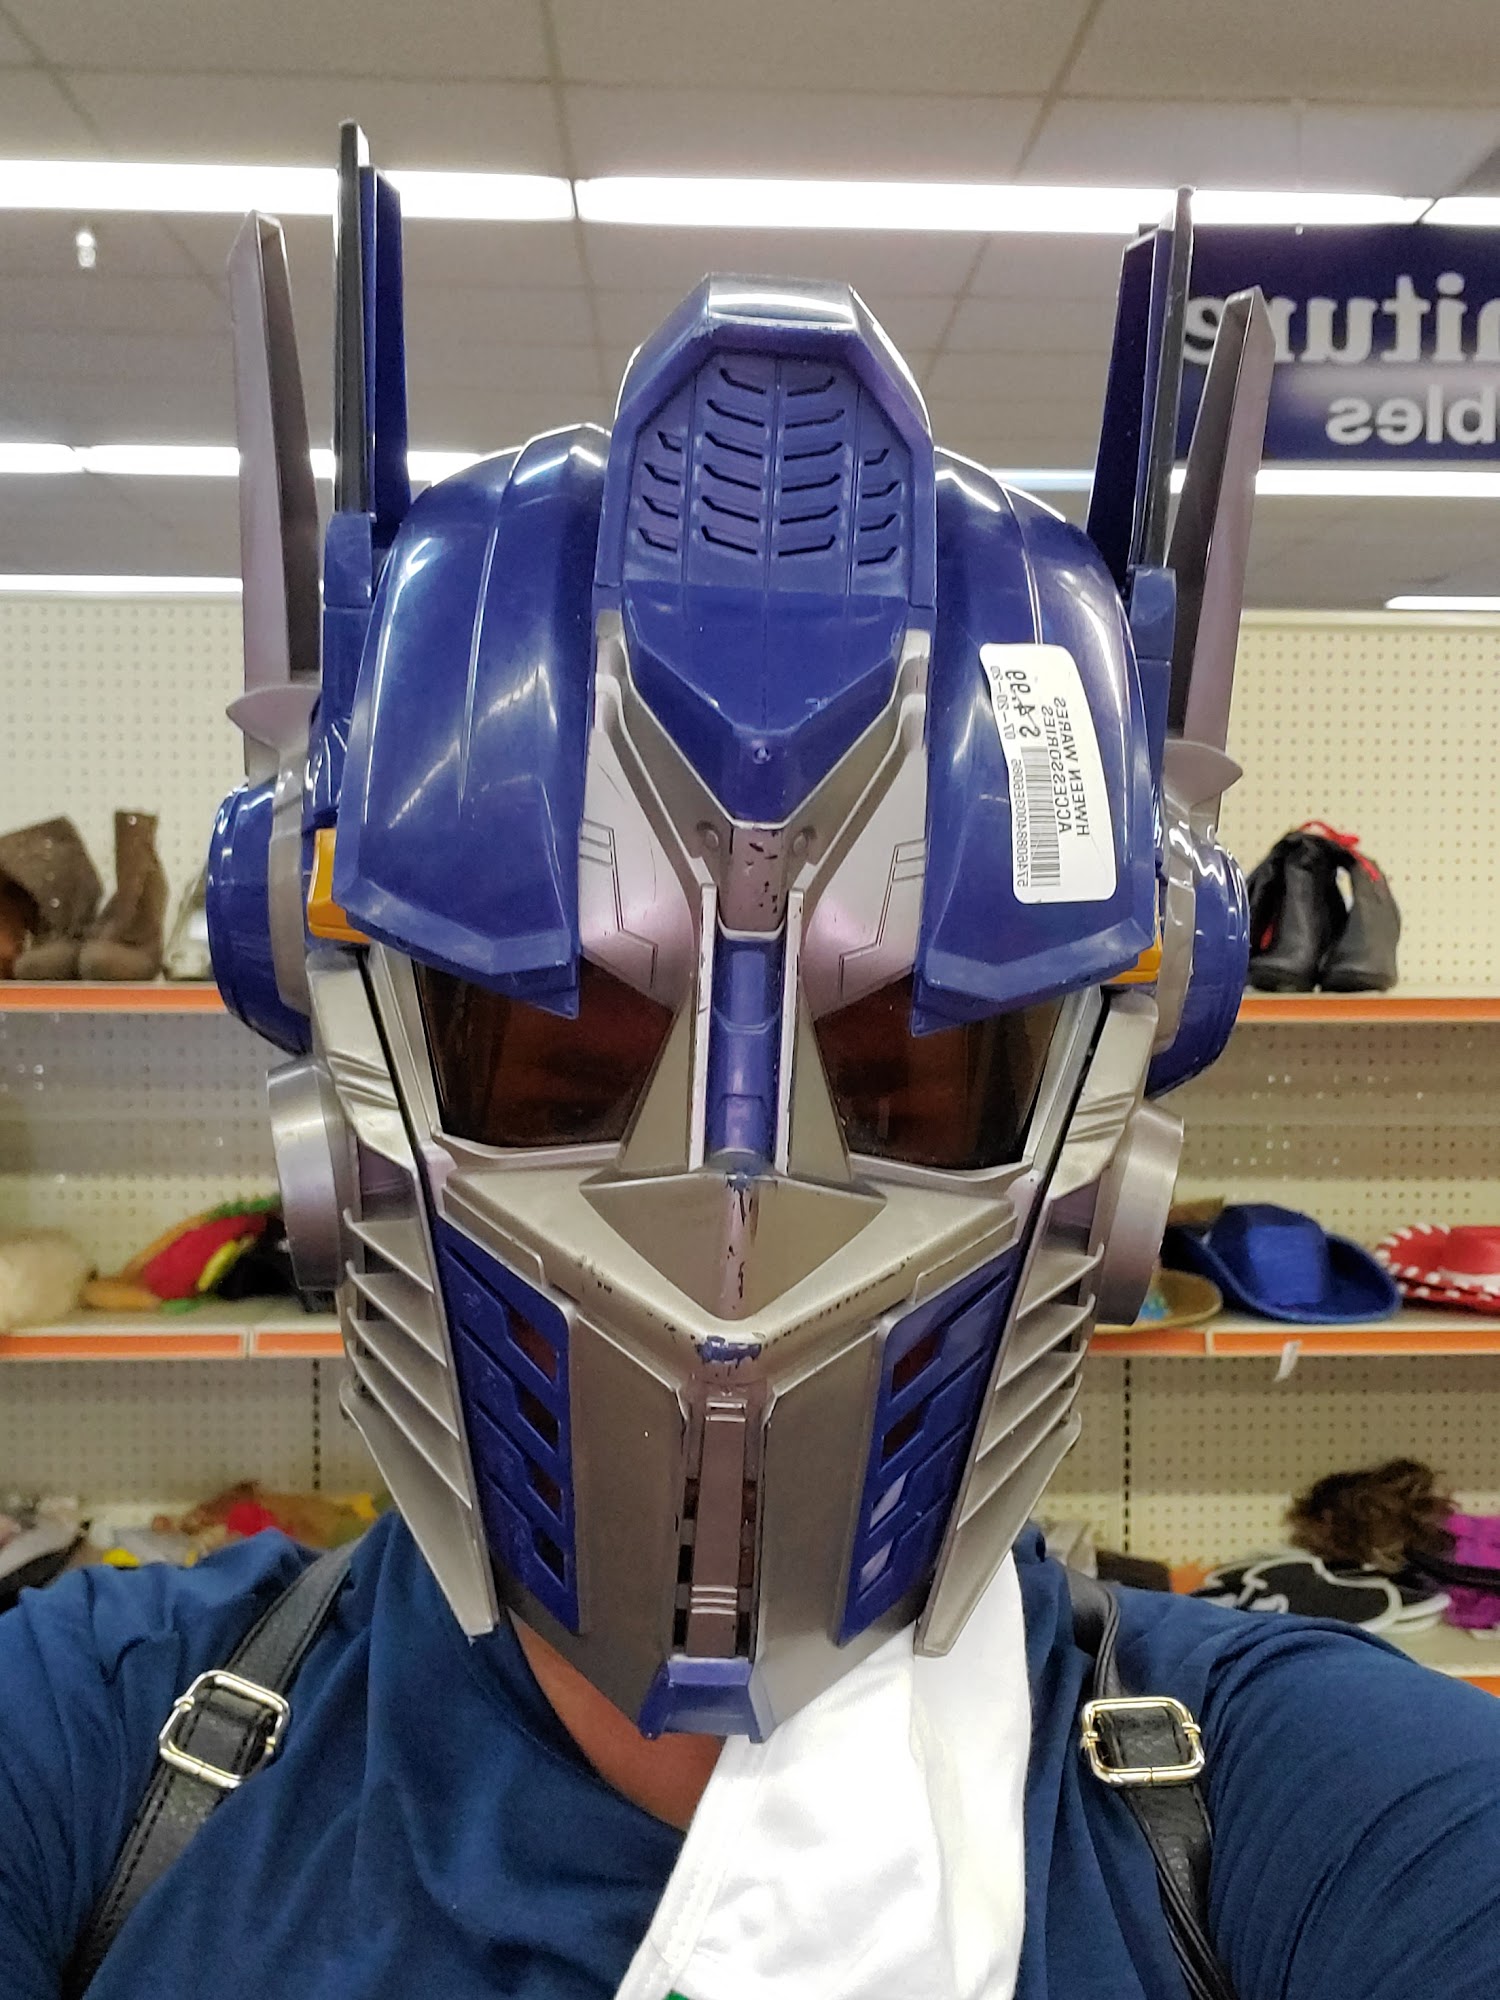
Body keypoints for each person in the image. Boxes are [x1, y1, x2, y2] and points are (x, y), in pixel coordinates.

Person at [4, 142, 1499, 1997]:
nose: (732, 1246)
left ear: (1108, 1144)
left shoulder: (1296, 1813)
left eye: (905, 1065)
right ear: (338, 1091)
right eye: (567, 1051)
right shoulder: (98, 1757)